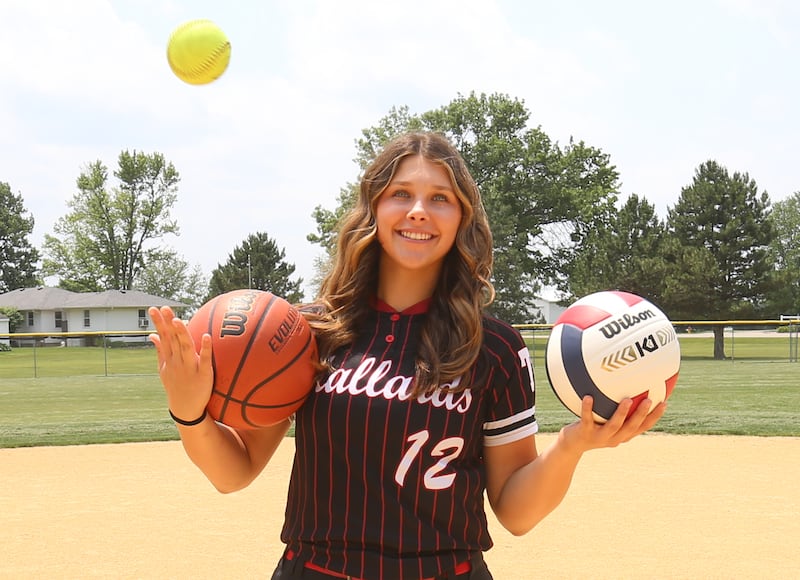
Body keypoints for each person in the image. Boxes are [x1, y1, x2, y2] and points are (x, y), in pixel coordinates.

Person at [149, 131, 666, 580]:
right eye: (401, 193)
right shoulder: (308, 333)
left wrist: (572, 445)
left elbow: (515, 512)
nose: (419, 210)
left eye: (439, 197)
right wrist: (189, 410)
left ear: (461, 217)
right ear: (374, 208)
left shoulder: (495, 347)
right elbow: (232, 473)